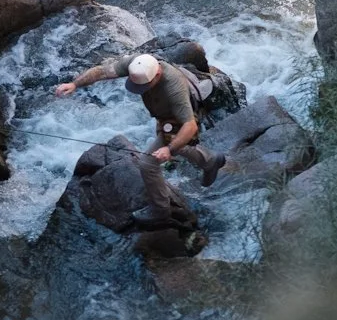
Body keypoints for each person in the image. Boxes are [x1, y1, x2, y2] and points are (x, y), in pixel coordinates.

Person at [55, 52, 226, 227]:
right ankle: (211, 161)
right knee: (174, 144)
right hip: (163, 115)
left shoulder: (174, 87)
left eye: (145, 85)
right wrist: (74, 84)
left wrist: (168, 149)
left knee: (147, 164)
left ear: (157, 75)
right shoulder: (136, 64)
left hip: (179, 119)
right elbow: (102, 72)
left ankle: (161, 211)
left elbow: (190, 126)